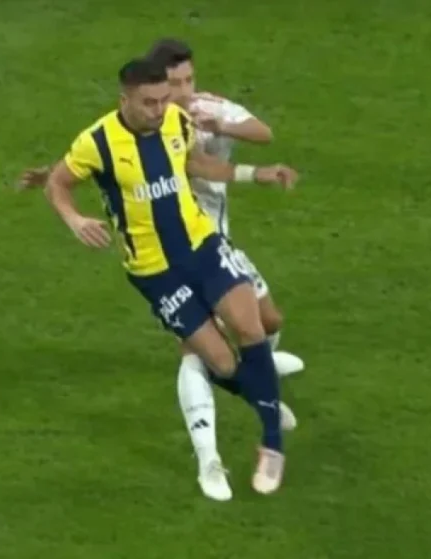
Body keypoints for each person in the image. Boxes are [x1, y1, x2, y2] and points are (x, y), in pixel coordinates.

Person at [42, 54, 299, 495]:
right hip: (154, 271)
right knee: (221, 362)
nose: (160, 109)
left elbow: (197, 166)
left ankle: (271, 442)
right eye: (149, 102)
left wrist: (256, 173)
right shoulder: (97, 142)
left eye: (163, 100)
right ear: (125, 100)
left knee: (250, 325)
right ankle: (265, 400)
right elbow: (57, 182)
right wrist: (75, 219)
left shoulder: (176, 122)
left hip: (202, 246)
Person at [145, 37, 306, 501]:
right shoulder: (145, 128)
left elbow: (262, 132)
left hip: (218, 243)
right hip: (170, 257)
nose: (183, 90)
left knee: (267, 321)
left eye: (188, 79)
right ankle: (209, 462)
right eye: (174, 83)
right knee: (199, 350)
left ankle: (259, 381)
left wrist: (222, 125)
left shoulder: (206, 108)